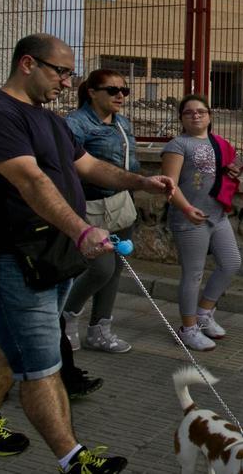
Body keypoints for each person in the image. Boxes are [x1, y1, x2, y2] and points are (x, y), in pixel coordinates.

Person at [0, 33, 174, 474]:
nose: (67, 81)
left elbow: (88, 166)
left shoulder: (49, 121)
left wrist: (141, 182)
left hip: (51, 253)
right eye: (61, 71)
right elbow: (30, 181)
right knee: (41, 364)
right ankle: (74, 460)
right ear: (28, 64)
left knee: (9, 338)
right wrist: (81, 229)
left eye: (71, 73)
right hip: (15, 255)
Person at [62, 69, 140, 354]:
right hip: (90, 206)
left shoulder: (122, 123)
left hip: (120, 204)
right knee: (100, 268)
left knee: (116, 269)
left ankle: (100, 329)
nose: (121, 95)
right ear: (92, 92)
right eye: (112, 90)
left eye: (124, 90)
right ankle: (66, 319)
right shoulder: (76, 123)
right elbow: (68, 165)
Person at [161, 94, 243, 352]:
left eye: (201, 111)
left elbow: (237, 164)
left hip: (217, 215)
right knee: (193, 274)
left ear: (209, 116)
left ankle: (204, 313)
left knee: (231, 263)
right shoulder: (177, 145)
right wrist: (186, 208)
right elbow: (169, 185)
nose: (195, 115)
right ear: (181, 118)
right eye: (189, 112)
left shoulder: (219, 142)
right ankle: (187, 329)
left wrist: (236, 168)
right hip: (190, 217)